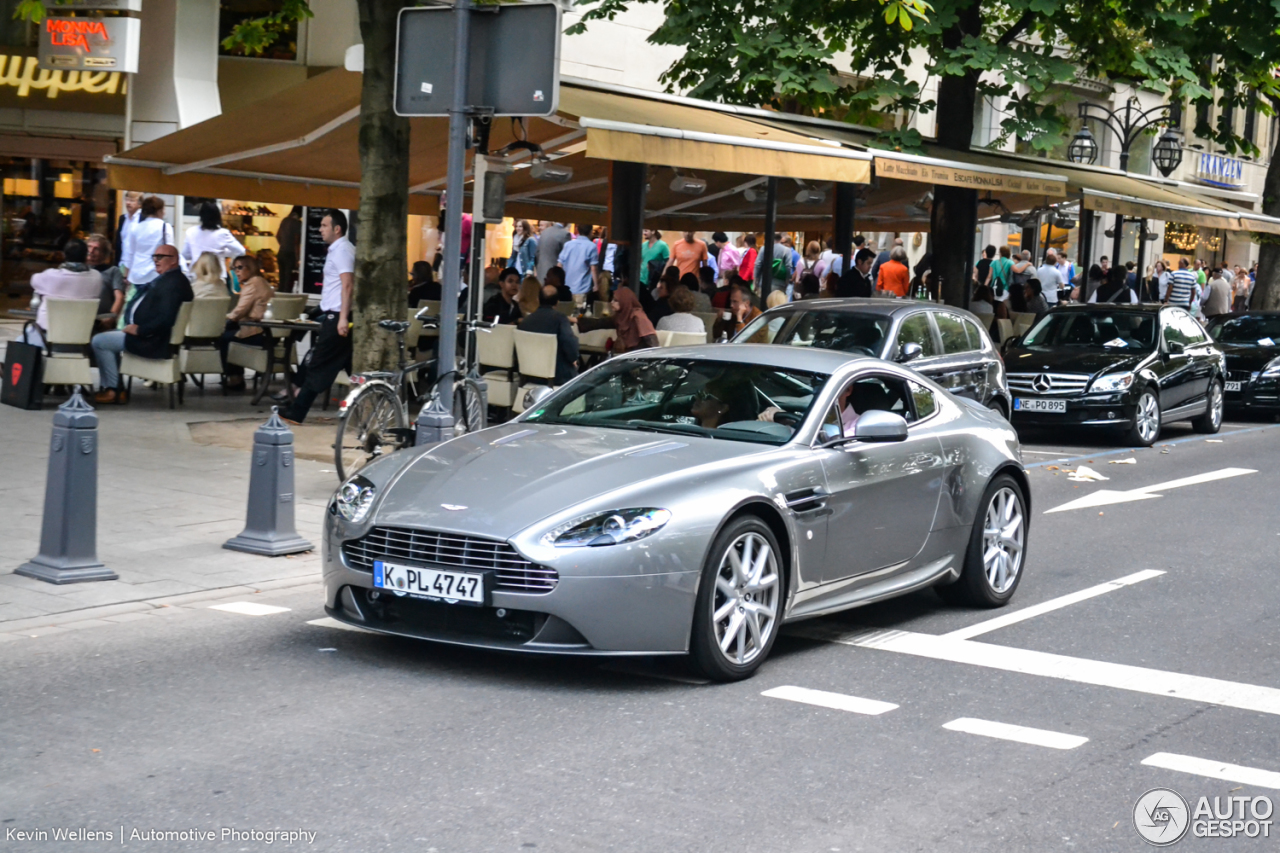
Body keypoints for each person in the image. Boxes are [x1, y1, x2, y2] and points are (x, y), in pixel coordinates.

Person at [278, 210, 354, 424]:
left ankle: (297, 411)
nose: (319, 229)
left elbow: (347, 284)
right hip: (333, 313)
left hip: (337, 316)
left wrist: (342, 318)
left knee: (317, 364)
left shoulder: (342, 251)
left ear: (337, 229)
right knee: (350, 365)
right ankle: (369, 403)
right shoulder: (339, 250)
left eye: (324, 225)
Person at [91, 244, 192, 404]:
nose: (156, 260)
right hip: (152, 336)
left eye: (161, 257)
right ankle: (114, 386)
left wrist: (140, 330)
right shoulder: (171, 279)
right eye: (154, 256)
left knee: (100, 342)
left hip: (151, 339)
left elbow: (166, 318)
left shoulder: (172, 284)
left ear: (174, 261)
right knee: (105, 338)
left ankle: (113, 390)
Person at [24, 238, 104, 347]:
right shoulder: (97, 277)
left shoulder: (51, 276)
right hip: (82, 339)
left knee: (21, 339)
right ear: (86, 256)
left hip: (46, 338)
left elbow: (34, 280)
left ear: (64, 255)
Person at [218, 255, 273, 391]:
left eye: (240, 267)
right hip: (268, 333)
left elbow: (239, 311)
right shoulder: (261, 282)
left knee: (223, 338)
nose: (236, 272)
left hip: (257, 332)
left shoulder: (252, 285)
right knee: (229, 334)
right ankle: (236, 377)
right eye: (234, 268)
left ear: (251, 268)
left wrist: (222, 319)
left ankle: (235, 379)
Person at [518, 284, 580, 383]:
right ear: (557, 302)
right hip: (557, 376)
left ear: (538, 300)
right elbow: (569, 344)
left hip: (528, 375)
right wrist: (574, 358)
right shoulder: (560, 319)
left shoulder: (525, 322)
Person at [180, 201, 245, 280]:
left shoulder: (191, 231)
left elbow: (185, 255)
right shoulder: (223, 233)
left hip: (196, 276)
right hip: (217, 276)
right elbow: (241, 251)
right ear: (218, 216)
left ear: (201, 216)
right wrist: (224, 253)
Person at [121, 196, 173, 293]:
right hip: (156, 273)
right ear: (159, 211)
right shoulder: (165, 227)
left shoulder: (135, 228)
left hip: (137, 273)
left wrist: (126, 275)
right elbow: (170, 251)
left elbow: (129, 253)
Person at [87, 234, 125, 332]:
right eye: (89, 247)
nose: (91, 252)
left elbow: (119, 297)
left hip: (102, 319)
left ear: (104, 254)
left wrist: (110, 318)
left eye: (96, 249)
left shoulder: (113, 271)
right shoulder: (80, 270)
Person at [556, 223, 599, 304]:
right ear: (590, 232)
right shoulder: (592, 246)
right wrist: (596, 285)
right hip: (583, 288)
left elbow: (559, 265)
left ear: (577, 230)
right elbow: (593, 268)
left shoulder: (568, 245)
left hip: (567, 287)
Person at [608, 287, 659, 353]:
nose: (612, 302)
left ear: (624, 301)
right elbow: (604, 322)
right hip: (626, 355)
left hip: (638, 357)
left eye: (616, 300)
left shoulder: (638, 316)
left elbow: (652, 343)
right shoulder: (621, 315)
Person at [274, 206, 302, 292]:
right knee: (288, 281)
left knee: (281, 280)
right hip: (290, 255)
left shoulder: (284, 220)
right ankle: (285, 302)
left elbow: (277, 235)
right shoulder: (297, 223)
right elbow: (296, 243)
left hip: (281, 253)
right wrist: (297, 259)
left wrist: (283, 244)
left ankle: (279, 298)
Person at [113, 191, 141, 265]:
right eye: (127, 200)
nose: (128, 203)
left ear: (139, 204)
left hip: (136, 264)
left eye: (132, 200)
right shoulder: (122, 218)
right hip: (122, 262)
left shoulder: (143, 219)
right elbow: (119, 242)